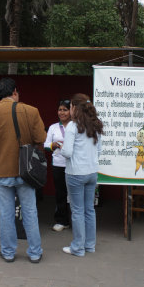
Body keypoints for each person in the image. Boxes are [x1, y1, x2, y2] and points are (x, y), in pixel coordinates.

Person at [0, 78, 46, 263]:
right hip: (27, 171)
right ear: (15, 92)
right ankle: (34, 253)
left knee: (6, 213)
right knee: (30, 212)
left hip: (1, 170)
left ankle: (8, 252)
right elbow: (41, 138)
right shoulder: (31, 111)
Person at [60, 93, 103, 257]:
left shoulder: (72, 126)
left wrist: (60, 149)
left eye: (70, 106)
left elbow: (68, 152)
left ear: (75, 108)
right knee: (89, 210)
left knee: (77, 211)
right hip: (92, 172)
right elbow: (99, 150)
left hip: (75, 173)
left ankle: (78, 247)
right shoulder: (96, 125)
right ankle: (89, 245)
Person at [44, 99, 72, 232]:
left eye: (65, 110)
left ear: (71, 111)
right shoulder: (53, 127)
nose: (62, 112)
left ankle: (76, 221)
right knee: (61, 193)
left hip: (74, 164)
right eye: (60, 109)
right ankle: (62, 220)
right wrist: (52, 145)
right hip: (58, 164)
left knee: (74, 193)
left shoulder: (76, 126)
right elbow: (45, 145)